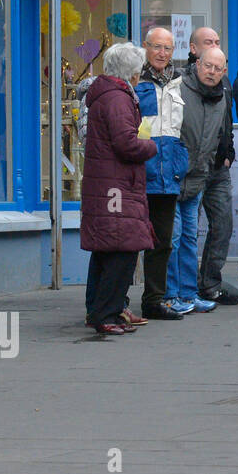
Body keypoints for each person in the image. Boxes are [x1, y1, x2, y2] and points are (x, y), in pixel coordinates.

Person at [81, 43, 158, 334]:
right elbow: (127, 142)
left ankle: (100, 310)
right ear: (133, 73)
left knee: (106, 250)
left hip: (109, 183)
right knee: (122, 249)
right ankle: (107, 313)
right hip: (116, 185)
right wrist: (151, 145)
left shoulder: (109, 95)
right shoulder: (118, 98)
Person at [170, 45, 234, 314]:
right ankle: (169, 294)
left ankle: (189, 293)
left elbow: (219, 133)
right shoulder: (178, 89)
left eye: (218, 68)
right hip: (174, 177)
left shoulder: (221, 96)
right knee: (172, 239)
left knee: (188, 237)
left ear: (224, 71)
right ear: (197, 63)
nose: (212, 72)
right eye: (208, 66)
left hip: (199, 176)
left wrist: (210, 164)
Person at [135, 26, 190, 319]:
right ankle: (117, 301)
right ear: (146, 47)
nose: (162, 54)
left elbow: (183, 128)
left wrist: (183, 161)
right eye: (157, 47)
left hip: (168, 174)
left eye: (167, 49)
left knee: (162, 242)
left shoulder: (179, 82)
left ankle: (154, 300)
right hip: (139, 172)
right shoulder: (135, 80)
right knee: (130, 240)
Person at [184, 27, 238, 305]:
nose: (213, 70)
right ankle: (185, 287)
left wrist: (228, 151)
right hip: (192, 169)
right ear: (195, 53)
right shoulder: (182, 85)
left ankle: (210, 284)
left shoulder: (225, 85)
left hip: (218, 167)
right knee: (188, 229)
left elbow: (226, 122)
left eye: (218, 43)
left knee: (223, 225)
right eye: (208, 44)